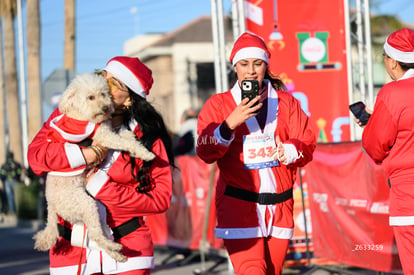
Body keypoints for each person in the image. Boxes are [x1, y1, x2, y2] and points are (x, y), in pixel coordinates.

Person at [28, 56, 175, 275]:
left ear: (129, 100)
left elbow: (160, 199)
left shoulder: (147, 138)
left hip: (128, 249)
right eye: (103, 75)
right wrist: (84, 156)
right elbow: (36, 158)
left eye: (115, 83)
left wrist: (101, 186)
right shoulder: (67, 118)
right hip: (70, 251)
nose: (105, 83)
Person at [196, 32, 316, 275]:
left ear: (266, 65)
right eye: (244, 64)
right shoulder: (219, 105)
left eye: (257, 63)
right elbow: (204, 150)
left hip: (280, 206)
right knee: (252, 270)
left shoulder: (287, 103)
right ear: (235, 68)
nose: (251, 71)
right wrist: (228, 125)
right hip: (238, 205)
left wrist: (290, 150)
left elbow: (308, 142)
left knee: (273, 271)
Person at [360, 28, 414, 275]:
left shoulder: (392, 94)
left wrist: (372, 124)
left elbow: (374, 147)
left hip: (408, 198)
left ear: (393, 61)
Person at [0, 151, 22, 218]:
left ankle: (13, 212)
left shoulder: (4, 165)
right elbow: (19, 173)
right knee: (17, 197)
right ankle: (19, 211)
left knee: (10, 197)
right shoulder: (17, 164)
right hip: (15, 181)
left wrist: (4, 181)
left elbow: (2, 175)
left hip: (7, 182)